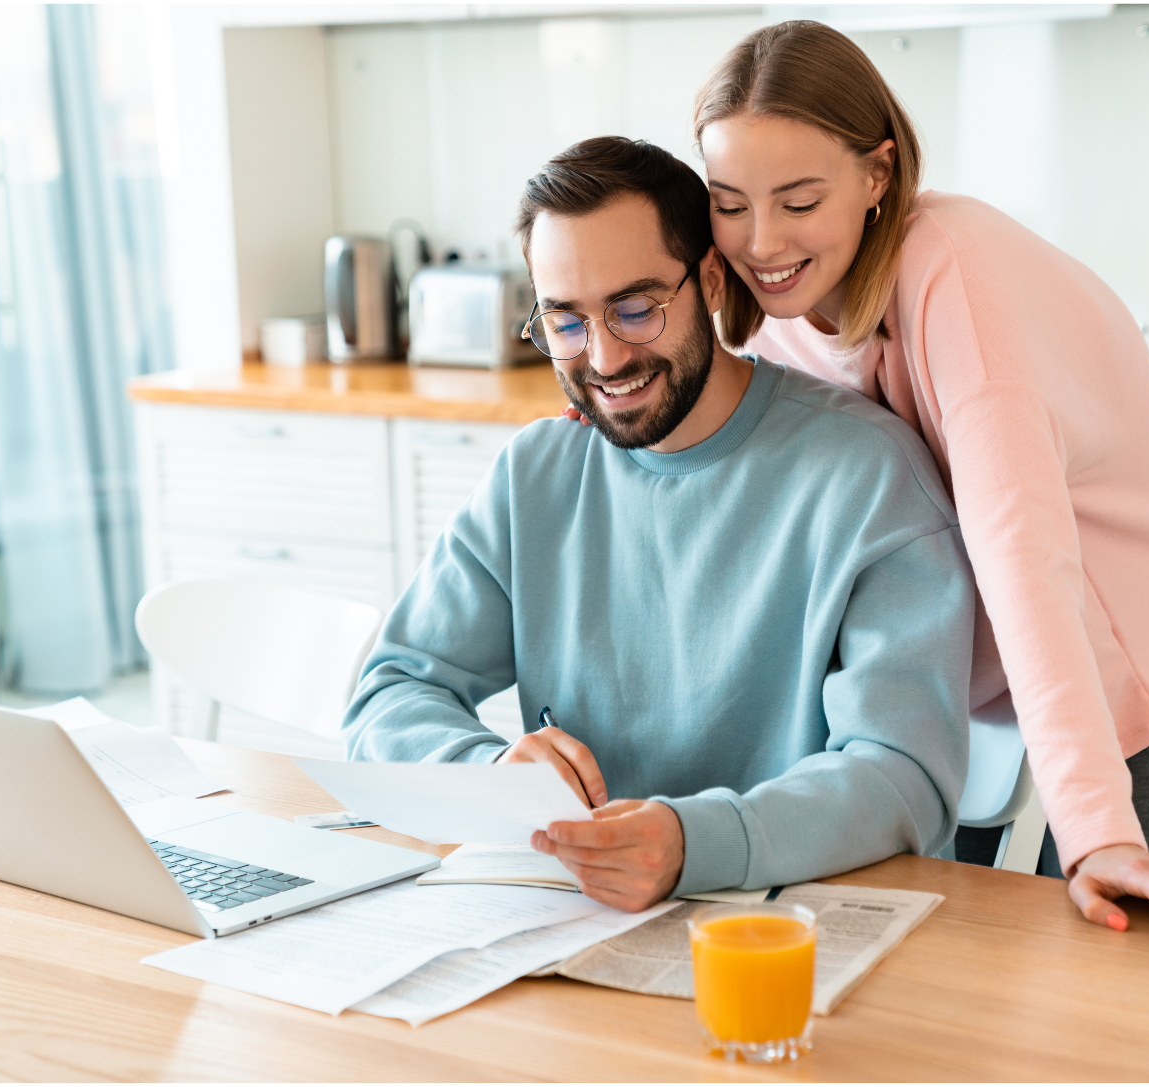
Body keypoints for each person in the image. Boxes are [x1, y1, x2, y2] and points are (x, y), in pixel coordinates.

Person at [680, 20, 1149, 951]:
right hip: (965, 668)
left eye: (798, 201)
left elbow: (1021, 554)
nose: (762, 242)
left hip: (1115, 635)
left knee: (1100, 953)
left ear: (877, 175)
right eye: (729, 203)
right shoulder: (774, 318)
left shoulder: (956, 278)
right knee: (970, 960)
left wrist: (1098, 830)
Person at [343, 136, 977, 912]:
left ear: (711, 278)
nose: (604, 358)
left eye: (636, 308)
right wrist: (489, 772)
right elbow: (389, 691)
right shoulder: (537, 473)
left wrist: (694, 843)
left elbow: (905, 775)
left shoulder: (867, 475)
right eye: (565, 322)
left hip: (797, 925)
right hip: (577, 919)